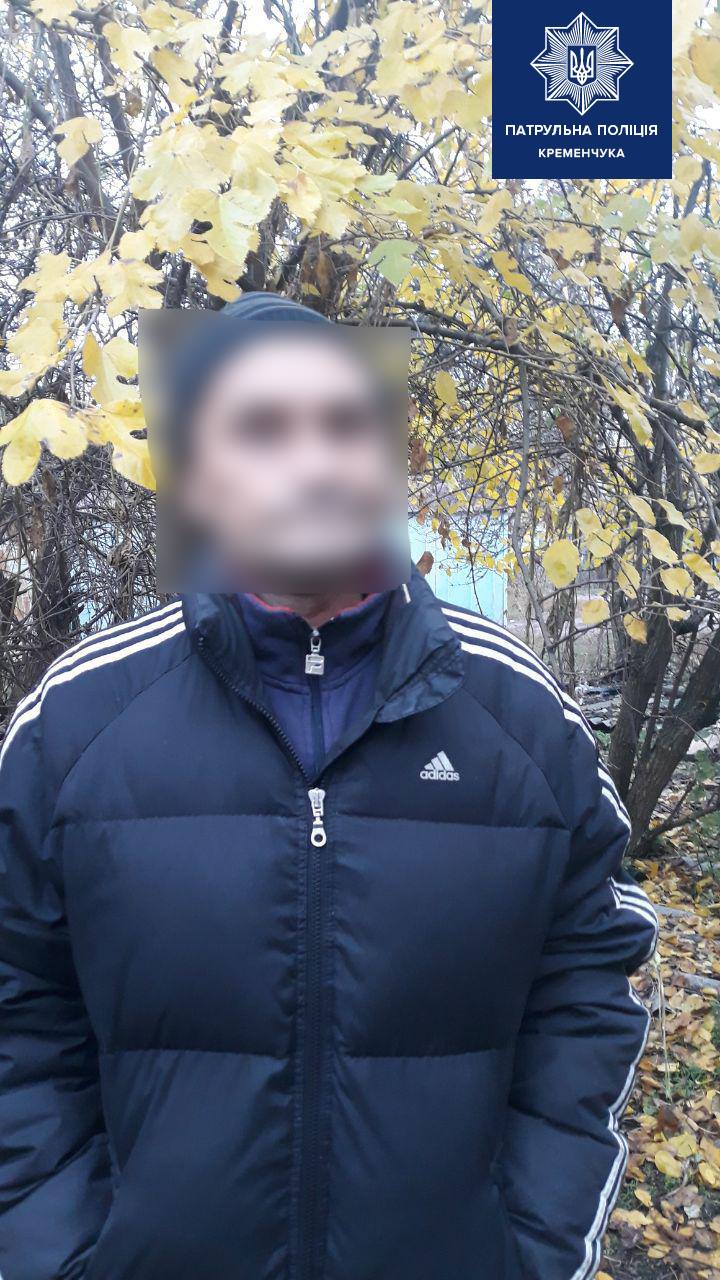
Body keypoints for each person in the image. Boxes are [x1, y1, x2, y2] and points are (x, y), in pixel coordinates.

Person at [0, 292, 658, 1280]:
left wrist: (532, 1240)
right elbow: (18, 1001)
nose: (315, 461)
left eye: (347, 425)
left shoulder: (518, 715)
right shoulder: (80, 718)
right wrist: (62, 1253)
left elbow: (591, 976)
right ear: (197, 476)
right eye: (262, 428)